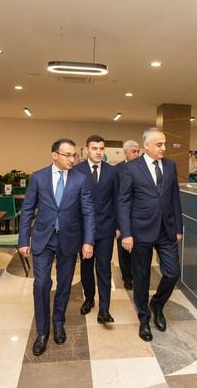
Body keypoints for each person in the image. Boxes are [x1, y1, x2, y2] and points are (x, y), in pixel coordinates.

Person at [18, 139, 95, 356]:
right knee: (41, 284)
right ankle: (42, 332)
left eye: (74, 155)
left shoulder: (81, 179)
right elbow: (27, 209)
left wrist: (88, 241)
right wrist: (23, 240)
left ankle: (58, 322)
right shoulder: (38, 177)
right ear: (54, 155)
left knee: (64, 284)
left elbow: (88, 211)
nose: (72, 159)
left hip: (69, 239)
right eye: (67, 155)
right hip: (44, 238)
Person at [117, 127, 183, 342]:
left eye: (164, 144)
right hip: (140, 231)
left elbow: (174, 198)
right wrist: (126, 233)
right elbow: (123, 201)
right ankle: (144, 319)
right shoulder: (131, 168)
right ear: (146, 146)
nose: (164, 148)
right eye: (159, 144)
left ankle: (157, 304)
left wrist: (178, 228)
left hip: (166, 230)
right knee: (141, 277)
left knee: (172, 273)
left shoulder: (170, 166)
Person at [74, 135, 119, 323]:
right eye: (94, 148)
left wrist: (118, 226)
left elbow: (117, 200)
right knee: (86, 267)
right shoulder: (77, 170)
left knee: (104, 268)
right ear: (86, 150)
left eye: (101, 148)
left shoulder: (112, 171)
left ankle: (104, 309)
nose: (99, 152)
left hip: (106, 228)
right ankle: (89, 298)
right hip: (84, 229)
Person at [115, 140, 141, 290]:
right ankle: (127, 277)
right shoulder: (117, 170)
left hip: (139, 217)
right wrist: (117, 225)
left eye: (138, 151)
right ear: (126, 153)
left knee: (139, 249)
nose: (137, 154)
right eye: (134, 151)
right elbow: (115, 197)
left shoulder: (143, 168)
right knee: (124, 250)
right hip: (122, 216)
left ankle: (138, 276)